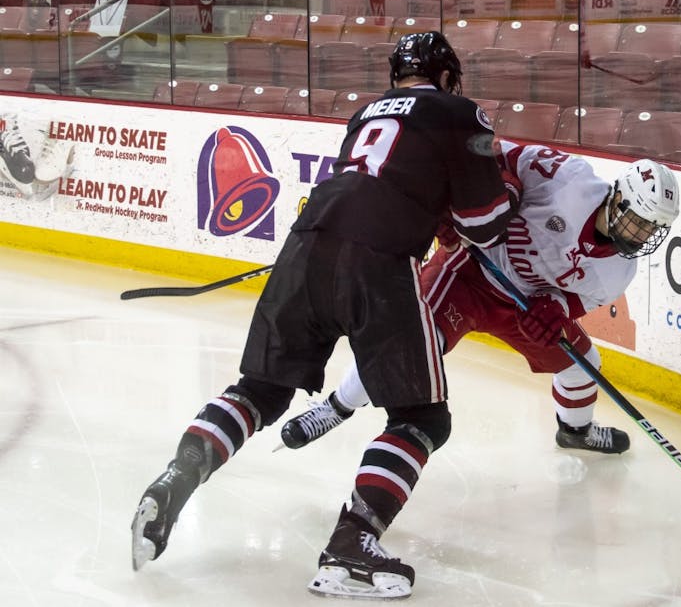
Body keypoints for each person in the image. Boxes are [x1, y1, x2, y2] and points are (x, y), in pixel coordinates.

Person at [131, 31, 520, 600]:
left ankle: (174, 480)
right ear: (445, 76)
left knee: (259, 392)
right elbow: (484, 226)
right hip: (379, 261)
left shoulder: (363, 116)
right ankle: (353, 544)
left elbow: (380, 180)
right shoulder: (463, 112)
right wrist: (506, 189)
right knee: (423, 418)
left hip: (304, 245)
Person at [282, 148, 680, 456]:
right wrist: (490, 196)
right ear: (618, 200)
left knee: (583, 366)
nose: (643, 235)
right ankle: (338, 406)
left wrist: (555, 308)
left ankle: (574, 431)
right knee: (415, 344)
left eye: (652, 229)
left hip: (522, 306)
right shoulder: (568, 179)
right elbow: (492, 152)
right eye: (639, 221)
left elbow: (573, 302)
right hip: (470, 268)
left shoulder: (621, 271)